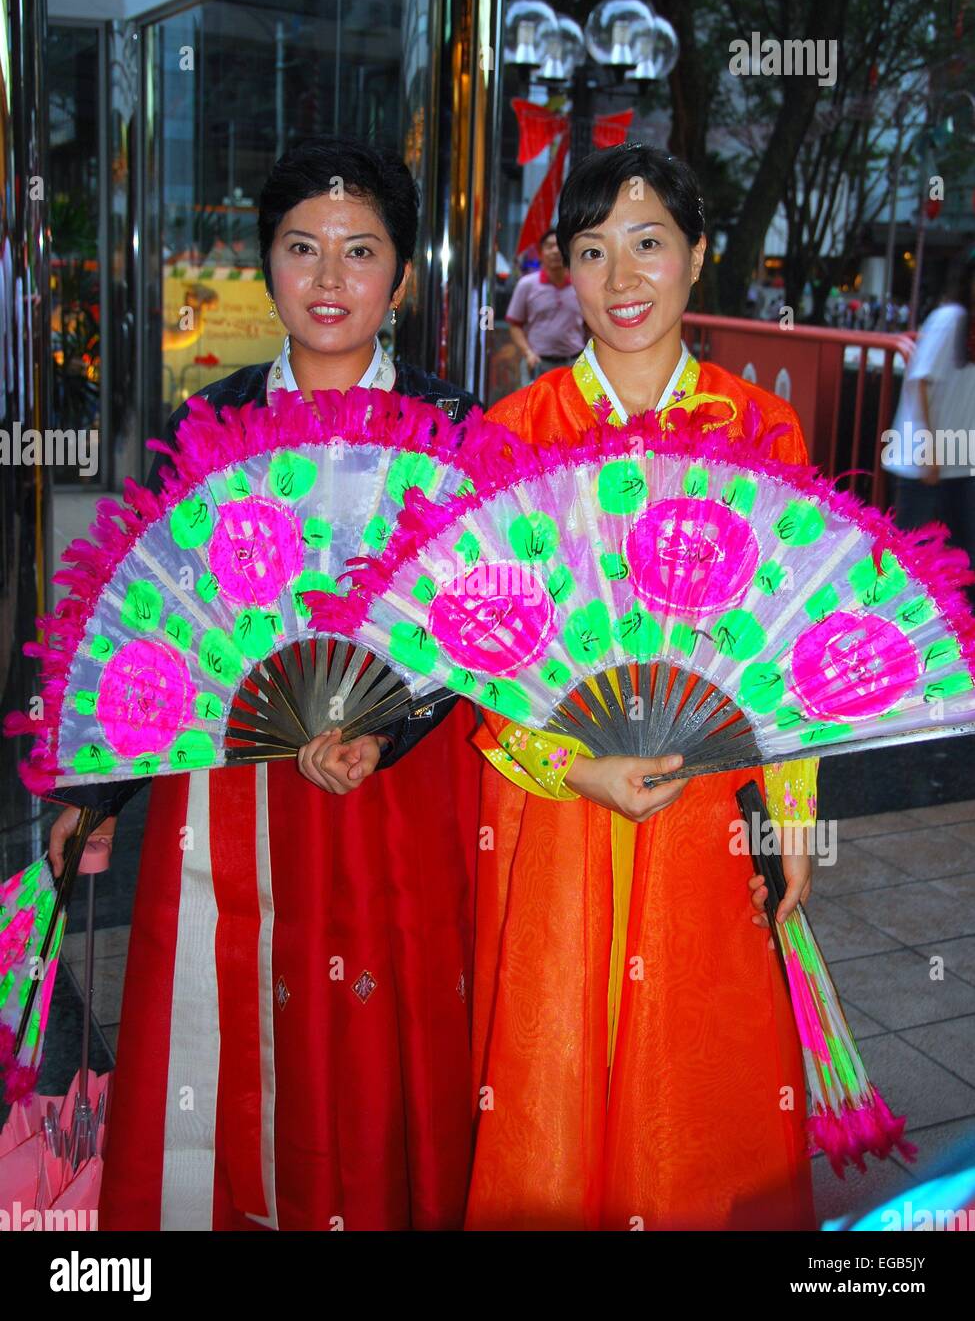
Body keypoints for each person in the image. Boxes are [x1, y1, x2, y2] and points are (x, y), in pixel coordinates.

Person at [46, 136, 481, 1231]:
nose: (329, 281)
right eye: (301, 249)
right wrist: (93, 794)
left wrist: (389, 731)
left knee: (385, 1035)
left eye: (360, 252)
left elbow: (485, 627)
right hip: (227, 791)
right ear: (264, 264)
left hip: (397, 793)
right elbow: (158, 634)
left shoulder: (457, 427)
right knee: (222, 1026)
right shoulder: (208, 426)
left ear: (402, 275)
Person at [466, 144, 819, 1231]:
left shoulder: (762, 432)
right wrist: (575, 763)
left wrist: (794, 822)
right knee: (555, 1078)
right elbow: (477, 658)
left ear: (699, 256)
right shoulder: (515, 437)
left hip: (709, 813)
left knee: (696, 1081)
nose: (622, 277)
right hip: (554, 807)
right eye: (591, 251)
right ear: (564, 275)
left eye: (650, 242)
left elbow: (797, 645)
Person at [885, 255, 975, 577]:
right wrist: (930, 448)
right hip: (926, 459)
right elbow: (920, 379)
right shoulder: (950, 319)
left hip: (962, 460)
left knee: (964, 553)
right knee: (910, 549)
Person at [505, 227, 587, 382]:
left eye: (559, 246)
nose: (555, 251)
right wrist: (528, 353)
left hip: (574, 364)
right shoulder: (527, 285)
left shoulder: (581, 285)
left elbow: (591, 325)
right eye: (549, 246)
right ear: (541, 253)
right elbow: (514, 325)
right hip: (537, 363)